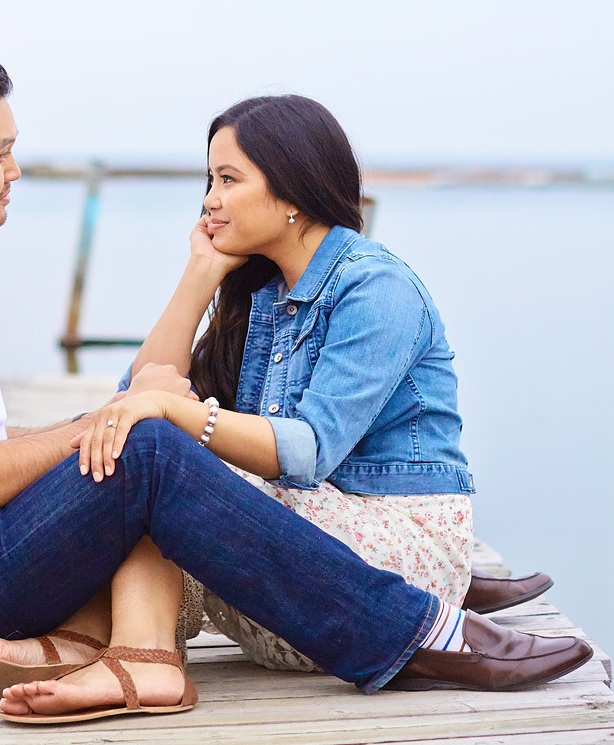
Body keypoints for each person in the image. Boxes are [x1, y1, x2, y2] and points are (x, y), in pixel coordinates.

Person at [0, 48, 593, 725]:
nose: (16, 168)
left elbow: (157, 395)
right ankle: (410, 631)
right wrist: (114, 421)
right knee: (139, 442)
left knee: (140, 437)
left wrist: (131, 404)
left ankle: (104, 648)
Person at [78, 93, 546, 673]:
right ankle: (108, 645)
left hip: (390, 571)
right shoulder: (262, 296)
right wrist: (199, 276)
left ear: (292, 189)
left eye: (228, 179)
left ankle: (111, 649)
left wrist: (178, 416)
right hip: (289, 590)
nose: (210, 200)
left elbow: (309, 450)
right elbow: (136, 393)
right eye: (209, 179)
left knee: (160, 461)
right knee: (121, 449)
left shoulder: (376, 288)